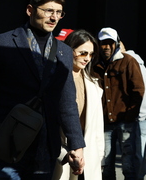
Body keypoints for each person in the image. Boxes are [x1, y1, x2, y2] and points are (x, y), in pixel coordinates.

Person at [0, 0, 85, 178]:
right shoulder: (0, 43)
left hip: (44, 148)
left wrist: (76, 144)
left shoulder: (64, 52)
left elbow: (67, 102)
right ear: (30, 10)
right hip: (4, 143)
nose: (54, 17)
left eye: (59, 13)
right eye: (48, 11)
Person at [92, 27, 144, 180]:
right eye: (102, 43)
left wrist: (130, 116)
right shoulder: (94, 64)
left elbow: (139, 90)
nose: (106, 47)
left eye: (109, 43)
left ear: (116, 43)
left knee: (128, 165)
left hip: (125, 122)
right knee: (106, 164)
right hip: (104, 123)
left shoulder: (128, 61)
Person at [53, 29, 105, 180]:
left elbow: (97, 128)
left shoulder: (94, 84)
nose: (87, 58)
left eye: (91, 54)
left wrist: (100, 156)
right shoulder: (55, 79)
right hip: (60, 152)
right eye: (83, 53)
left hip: (87, 154)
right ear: (69, 50)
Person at [119, 42, 146, 180]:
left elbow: (140, 91)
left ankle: (136, 177)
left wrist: (134, 114)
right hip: (143, 113)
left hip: (139, 114)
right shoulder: (136, 61)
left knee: (135, 151)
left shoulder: (128, 61)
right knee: (136, 151)